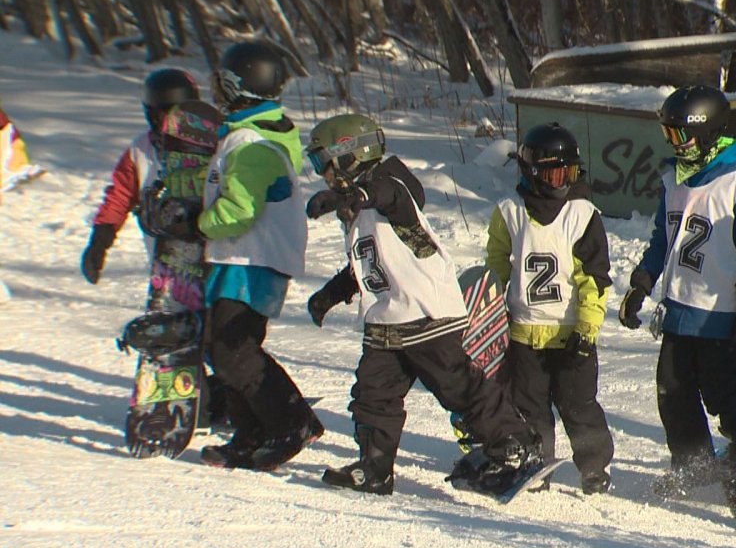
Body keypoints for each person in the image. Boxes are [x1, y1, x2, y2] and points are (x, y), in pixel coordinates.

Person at [302, 113, 543, 496]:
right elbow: (367, 264)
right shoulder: (357, 210)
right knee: (372, 394)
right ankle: (375, 467)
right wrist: (328, 296)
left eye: (324, 164)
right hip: (387, 318)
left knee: (458, 388)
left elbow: (390, 195)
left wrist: (355, 196)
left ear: (350, 154)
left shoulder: (390, 185)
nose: (324, 175)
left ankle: (514, 446)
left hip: (426, 313)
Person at [618, 85, 736, 514]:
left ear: (710, 134)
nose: (674, 144)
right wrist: (643, 281)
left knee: (723, 394)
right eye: (669, 135)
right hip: (680, 310)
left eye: (681, 135)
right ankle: (694, 465)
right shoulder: (673, 180)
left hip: (721, 313)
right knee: (673, 390)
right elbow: (664, 239)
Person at [157, 42, 321, 471]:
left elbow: (240, 210)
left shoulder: (251, 145)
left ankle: (291, 421)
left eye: (223, 84)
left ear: (238, 86)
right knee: (222, 346)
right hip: (240, 260)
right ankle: (253, 430)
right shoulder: (247, 136)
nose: (217, 93)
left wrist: (197, 223)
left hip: (253, 261)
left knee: (234, 349)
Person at [484, 122, 615, 495]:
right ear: (531, 171)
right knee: (529, 408)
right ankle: (536, 466)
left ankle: (593, 467)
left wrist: (588, 329)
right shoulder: (510, 211)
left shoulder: (582, 215)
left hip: (571, 332)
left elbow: (595, 277)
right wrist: (488, 307)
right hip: (524, 331)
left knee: (579, 406)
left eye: (568, 173)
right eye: (553, 173)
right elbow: (496, 262)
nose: (561, 181)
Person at [80, 68, 200, 284]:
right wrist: (99, 240)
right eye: (164, 115)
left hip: (212, 254)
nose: (171, 123)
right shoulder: (141, 150)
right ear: (152, 115)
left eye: (180, 115)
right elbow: (120, 196)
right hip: (165, 261)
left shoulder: (215, 145)